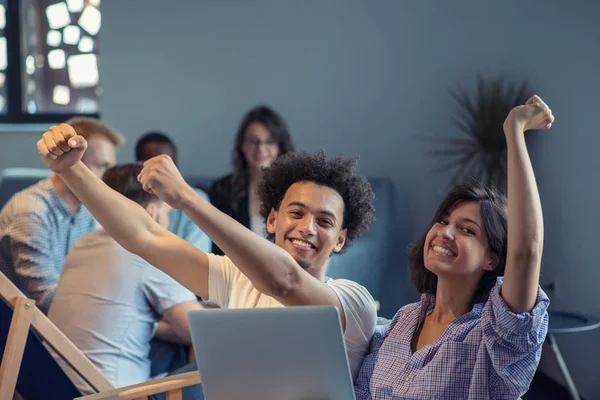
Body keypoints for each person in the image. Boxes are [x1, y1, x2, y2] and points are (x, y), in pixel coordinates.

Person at [36, 125, 377, 383]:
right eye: (297, 213)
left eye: (325, 221)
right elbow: (144, 236)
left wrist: (185, 197)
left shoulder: (353, 302)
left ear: (340, 239)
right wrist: (72, 170)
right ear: (272, 219)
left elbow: (284, 281)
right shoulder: (236, 278)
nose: (307, 227)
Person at [354, 95, 553, 399]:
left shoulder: (494, 336)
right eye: (443, 220)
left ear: (492, 259)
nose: (445, 232)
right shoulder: (402, 321)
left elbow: (527, 250)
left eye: (466, 230)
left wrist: (514, 129)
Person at [48, 164, 205, 393]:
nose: (169, 224)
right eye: (167, 214)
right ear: (151, 212)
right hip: (114, 394)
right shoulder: (149, 253)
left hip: (57, 387)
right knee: (221, 359)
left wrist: (158, 326)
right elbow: (200, 330)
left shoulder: (82, 244)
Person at [0, 117, 124, 314]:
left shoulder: (88, 210)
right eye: (103, 166)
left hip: (70, 320)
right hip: (27, 330)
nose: (109, 178)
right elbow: (49, 300)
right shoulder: (29, 213)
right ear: (74, 162)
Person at [210, 105, 295, 253]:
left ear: (279, 147)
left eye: (269, 141)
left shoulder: (295, 190)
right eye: (253, 141)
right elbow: (216, 246)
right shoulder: (222, 189)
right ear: (242, 145)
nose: (261, 148)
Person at [135, 131, 211, 252]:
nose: (166, 173)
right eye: (157, 168)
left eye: (171, 166)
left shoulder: (196, 199)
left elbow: (197, 257)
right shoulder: (128, 200)